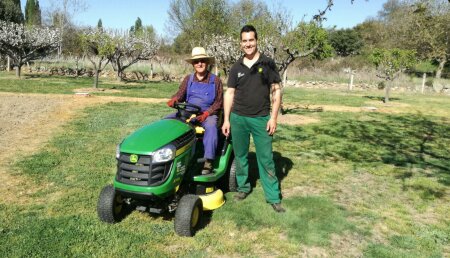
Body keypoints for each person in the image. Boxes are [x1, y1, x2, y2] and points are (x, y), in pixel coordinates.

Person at [222, 25, 285, 213]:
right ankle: (243, 188)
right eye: (244, 41)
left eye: (251, 40)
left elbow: (276, 91)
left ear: (256, 41)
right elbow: (230, 94)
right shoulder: (236, 67)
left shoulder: (268, 64)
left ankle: (273, 197)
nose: (248, 44)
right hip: (238, 118)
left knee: (266, 159)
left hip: (261, 119)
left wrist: (273, 118)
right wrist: (226, 119)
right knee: (240, 156)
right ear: (240, 43)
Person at [167, 47, 223, 175]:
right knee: (167, 121)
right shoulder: (188, 79)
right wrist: (174, 99)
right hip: (188, 112)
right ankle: (168, 155)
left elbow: (219, 102)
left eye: (202, 61)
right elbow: (180, 95)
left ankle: (208, 162)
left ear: (207, 63)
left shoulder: (216, 81)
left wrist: (207, 114)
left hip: (208, 114)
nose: (199, 64)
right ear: (193, 64)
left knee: (211, 126)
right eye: (196, 61)